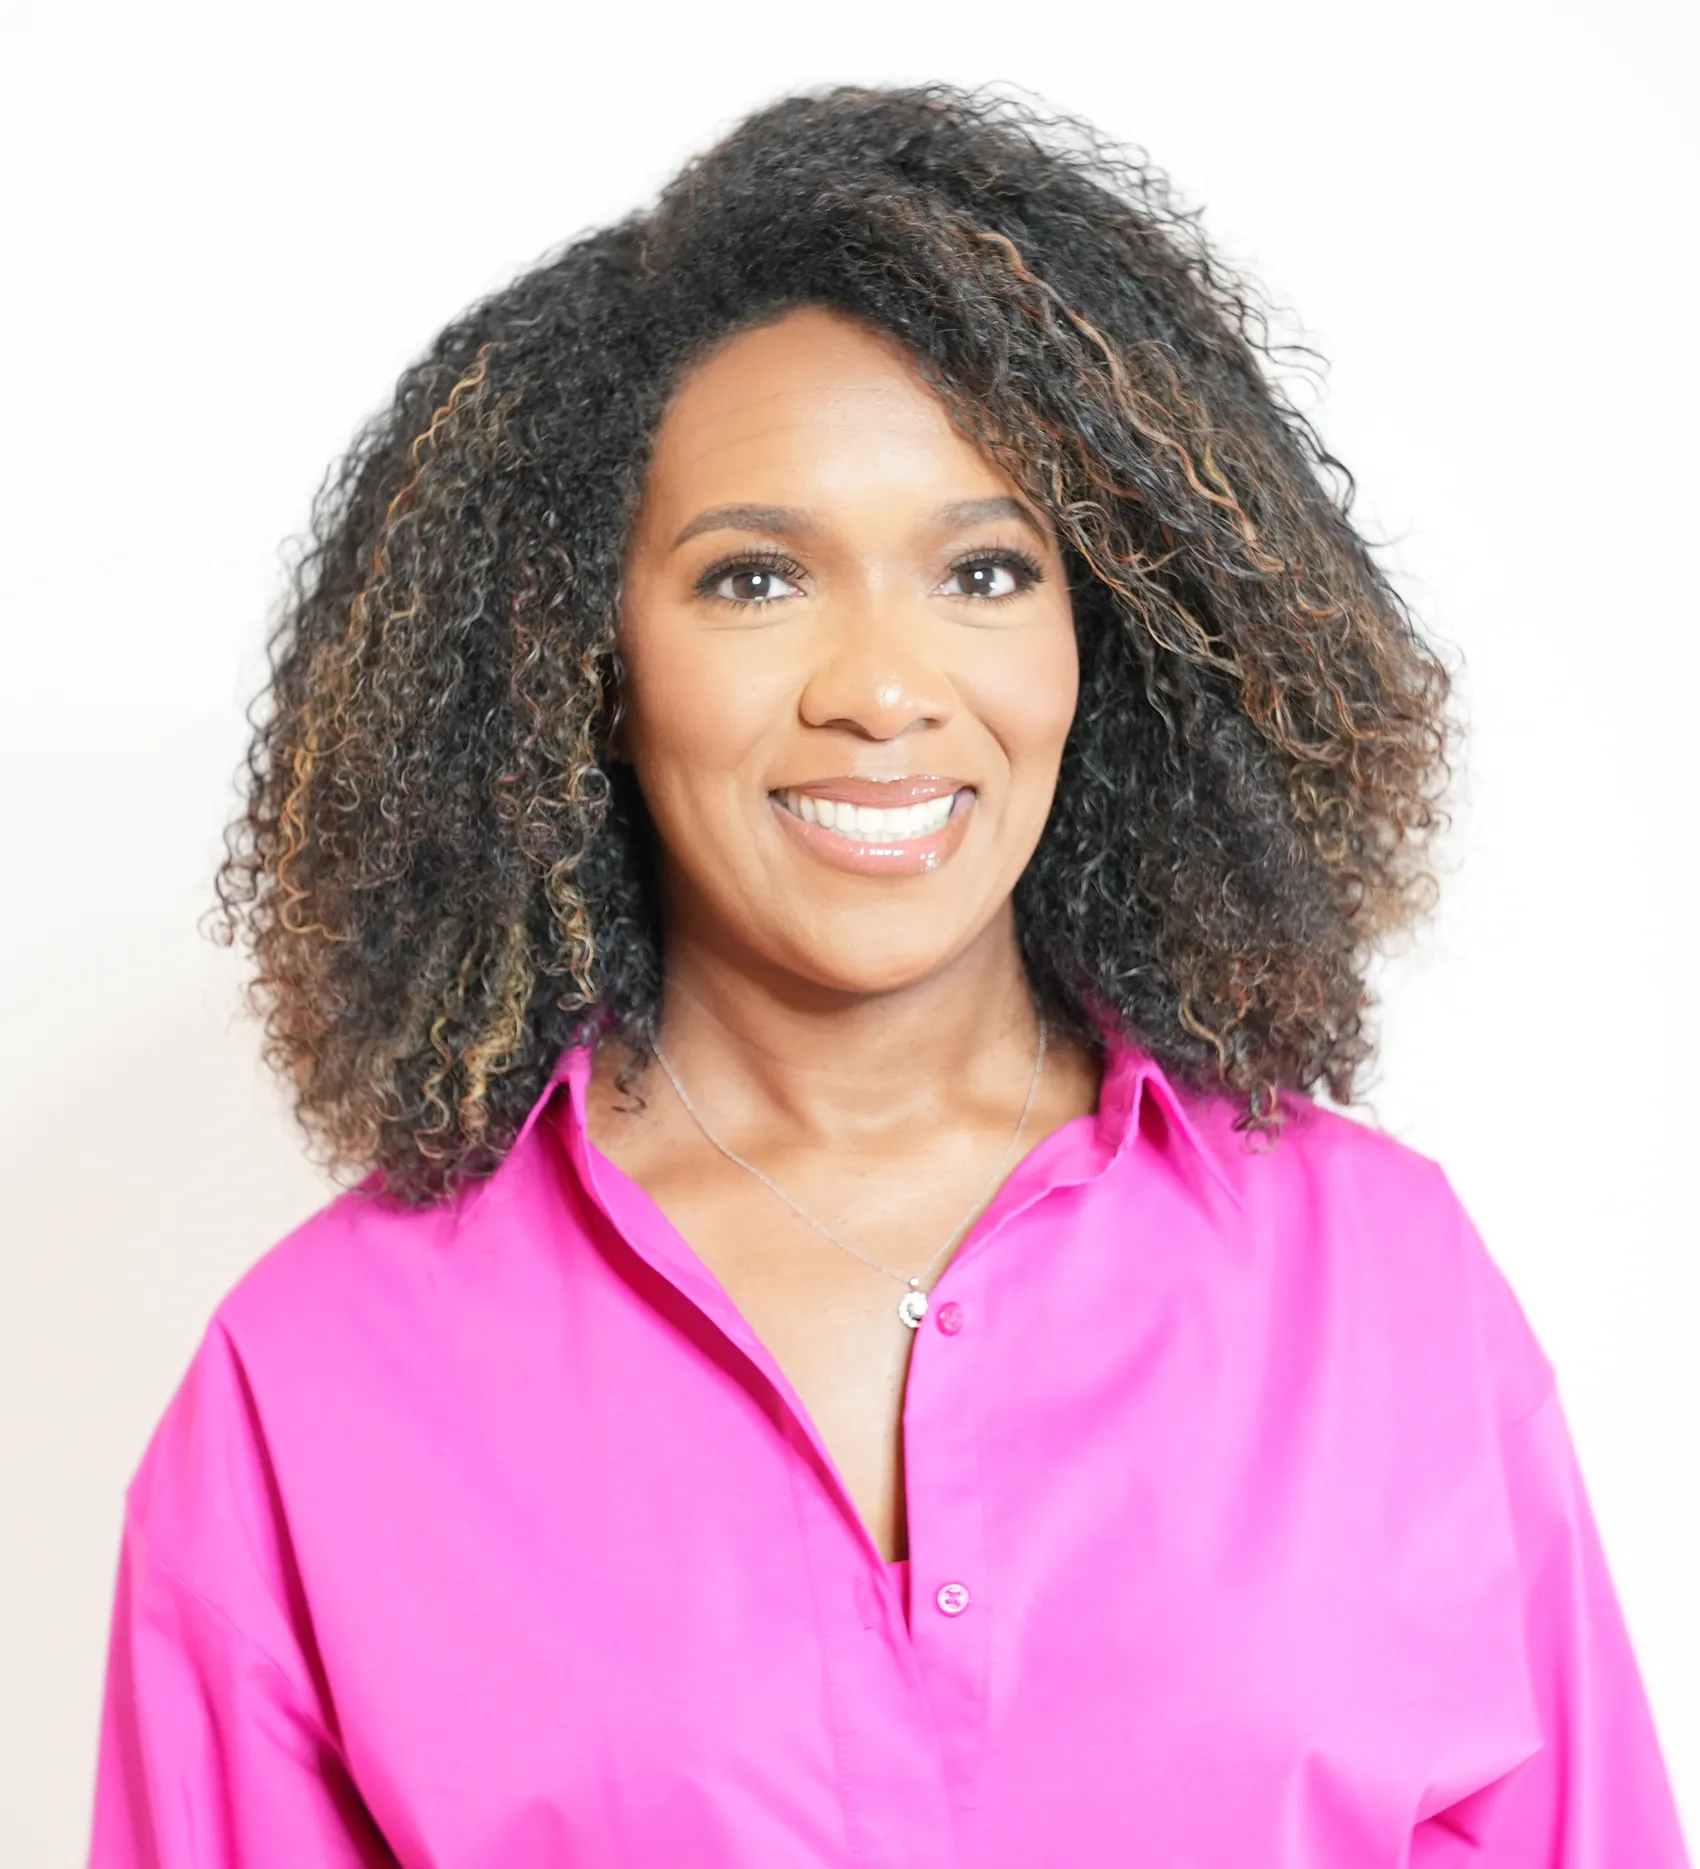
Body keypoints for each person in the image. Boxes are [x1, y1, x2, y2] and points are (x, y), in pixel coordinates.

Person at [88, 82, 1690, 1868]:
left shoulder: (1379, 1283)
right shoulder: (312, 1384)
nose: (883, 687)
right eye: (755, 578)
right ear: (584, 662)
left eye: (984, 570)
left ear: (1105, 643)